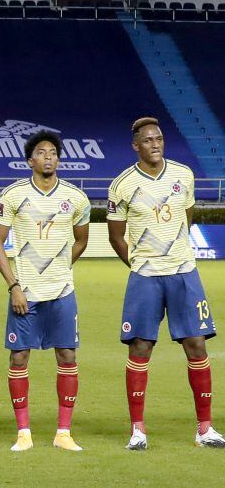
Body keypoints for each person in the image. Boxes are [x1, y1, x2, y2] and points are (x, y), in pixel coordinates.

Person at [107, 116, 224, 449]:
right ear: (136, 146)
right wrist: (141, 264)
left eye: (159, 138)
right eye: (147, 140)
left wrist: (176, 254)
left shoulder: (183, 175)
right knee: (140, 347)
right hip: (146, 276)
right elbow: (116, 236)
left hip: (184, 272)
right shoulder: (122, 184)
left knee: (197, 344)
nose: (155, 144)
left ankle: (205, 429)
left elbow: (187, 218)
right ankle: (138, 430)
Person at [0, 131, 90, 452]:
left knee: (67, 355)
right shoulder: (13, 195)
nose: (49, 157)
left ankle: (63, 432)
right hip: (25, 293)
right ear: (30, 160)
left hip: (62, 292)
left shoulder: (76, 198)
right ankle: (23, 433)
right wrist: (14, 286)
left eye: (53, 153)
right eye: (41, 153)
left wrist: (61, 266)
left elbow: (82, 240)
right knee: (19, 357)